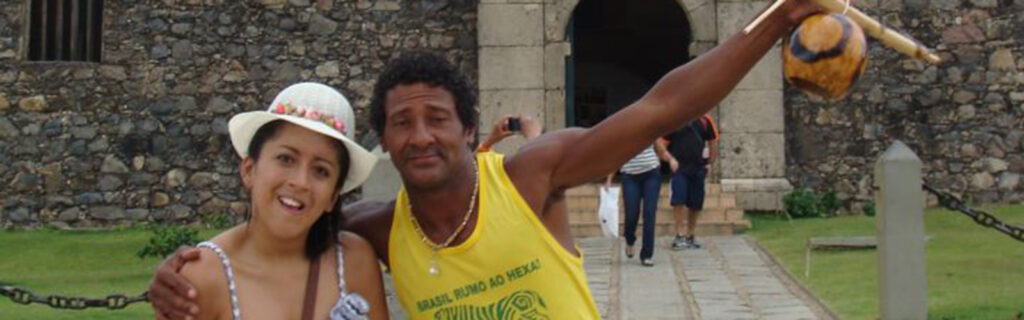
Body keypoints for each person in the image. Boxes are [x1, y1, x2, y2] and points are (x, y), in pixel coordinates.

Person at [149, 2, 826, 318]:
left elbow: (658, 108)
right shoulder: (379, 231)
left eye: (436, 119)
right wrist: (185, 269)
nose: (419, 137)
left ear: (470, 129)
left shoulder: (533, 177)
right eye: (401, 124)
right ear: (382, 142)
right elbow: (286, 221)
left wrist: (773, 20)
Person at [176, 82, 388, 320]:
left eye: (321, 171)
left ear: (333, 196)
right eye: (286, 159)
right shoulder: (204, 276)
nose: (300, 182)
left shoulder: (354, 262)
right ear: (249, 169)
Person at [605, 140, 675, 266]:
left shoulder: (650, 130)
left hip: (651, 175)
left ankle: (647, 255)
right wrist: (610, 178)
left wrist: (671, 160)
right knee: (631, 213)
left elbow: (661, 151)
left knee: (649, 213)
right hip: (630, 177)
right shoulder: (624, 135)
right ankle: (630, 240)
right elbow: (617, 157)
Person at [664, 113, 718, 250]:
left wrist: (710, 161)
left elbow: (713, 139)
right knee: (678, 200)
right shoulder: (674, 119)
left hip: (698, 166)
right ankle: (679, 234)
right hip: (680, 168)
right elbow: (662, 141)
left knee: (696, 203)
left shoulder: (705, 119)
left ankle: (691, 234)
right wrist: (669, 159)